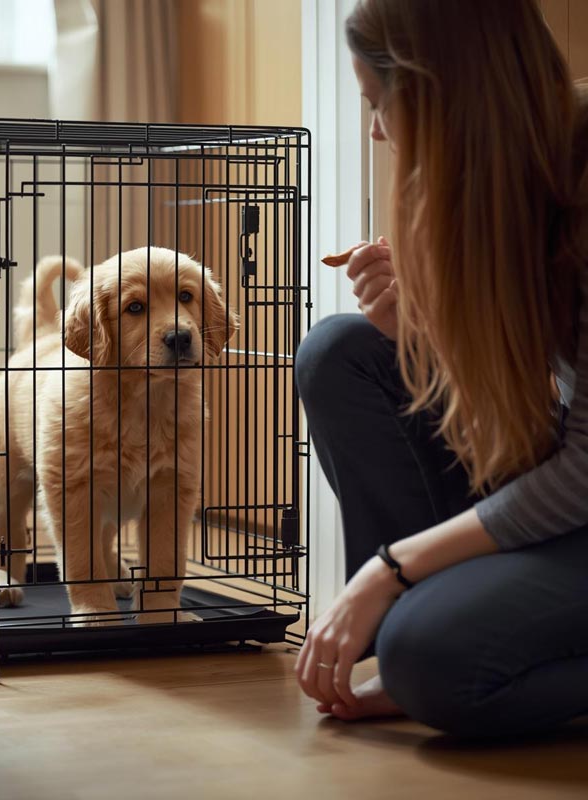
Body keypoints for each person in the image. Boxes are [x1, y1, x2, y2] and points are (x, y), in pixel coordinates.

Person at [294, 0, 588, 738]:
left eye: (379, 103)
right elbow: (526, 432)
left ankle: (425, 635)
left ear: (440, 92)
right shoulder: (510, 186)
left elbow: (582, 471)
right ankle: (424, 627)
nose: (376, 132)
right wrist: (427, 335)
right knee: (342, 352)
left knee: (434, 656)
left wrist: (389, 569)